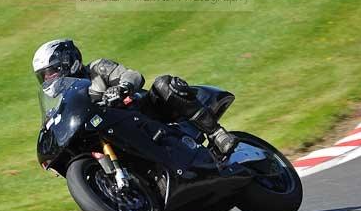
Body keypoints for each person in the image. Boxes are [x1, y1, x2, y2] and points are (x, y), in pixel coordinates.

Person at [33, 38, 238, 156]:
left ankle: (216, 134)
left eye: (52, 71)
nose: (49, 79)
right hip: (114, 134)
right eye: (44, 76)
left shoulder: (97, 68)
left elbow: (133, 75)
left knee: (164, 84)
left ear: (70, 62)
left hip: (144, 113)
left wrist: (123, 88)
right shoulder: (64, 100)